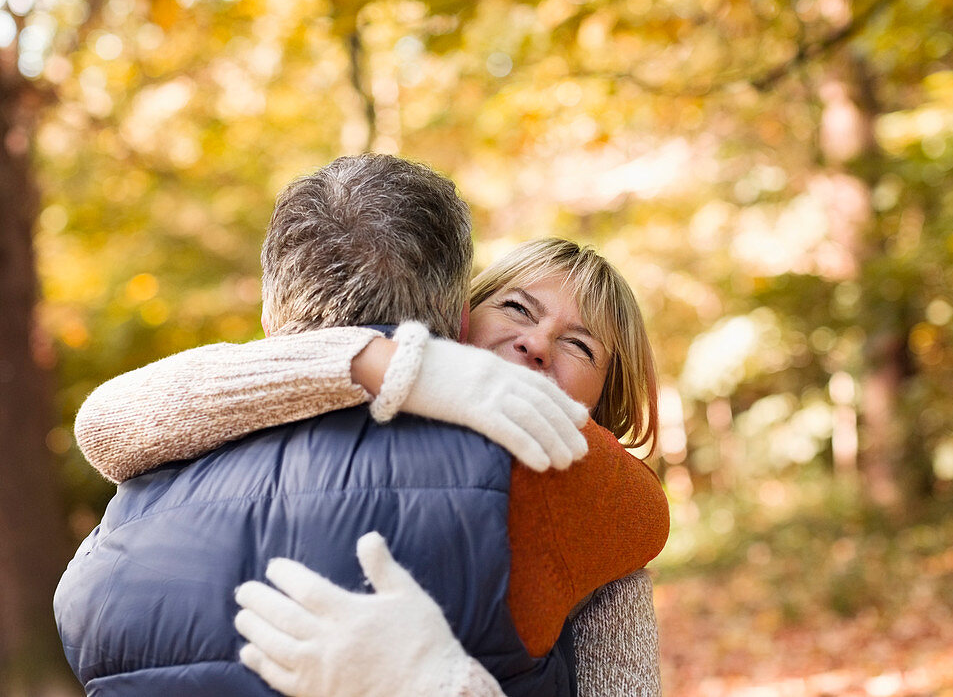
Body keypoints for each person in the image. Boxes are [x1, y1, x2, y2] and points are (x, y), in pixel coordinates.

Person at [56, 156, 668, 697]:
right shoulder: (217, 411)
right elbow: (106, 421)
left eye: (580, 347)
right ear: (458, 319)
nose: (536, 344)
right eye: (515, 307)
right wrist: (387, 362)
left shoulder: (596, 496)